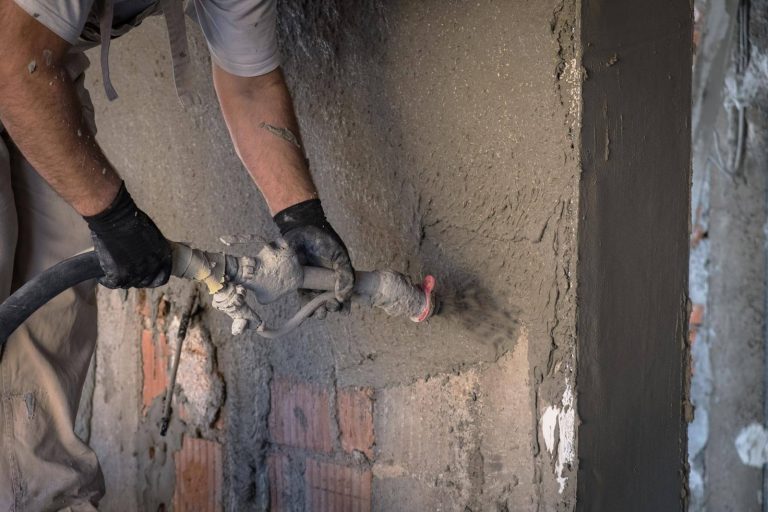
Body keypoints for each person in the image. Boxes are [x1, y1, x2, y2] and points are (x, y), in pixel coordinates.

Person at [0, 0, 354, 509]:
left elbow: (251, 83)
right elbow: (15, 65)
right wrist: (115, 218)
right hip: (19, 63)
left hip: (40, 76)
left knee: (49, 310)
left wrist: (300, 215)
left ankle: (41, 497)